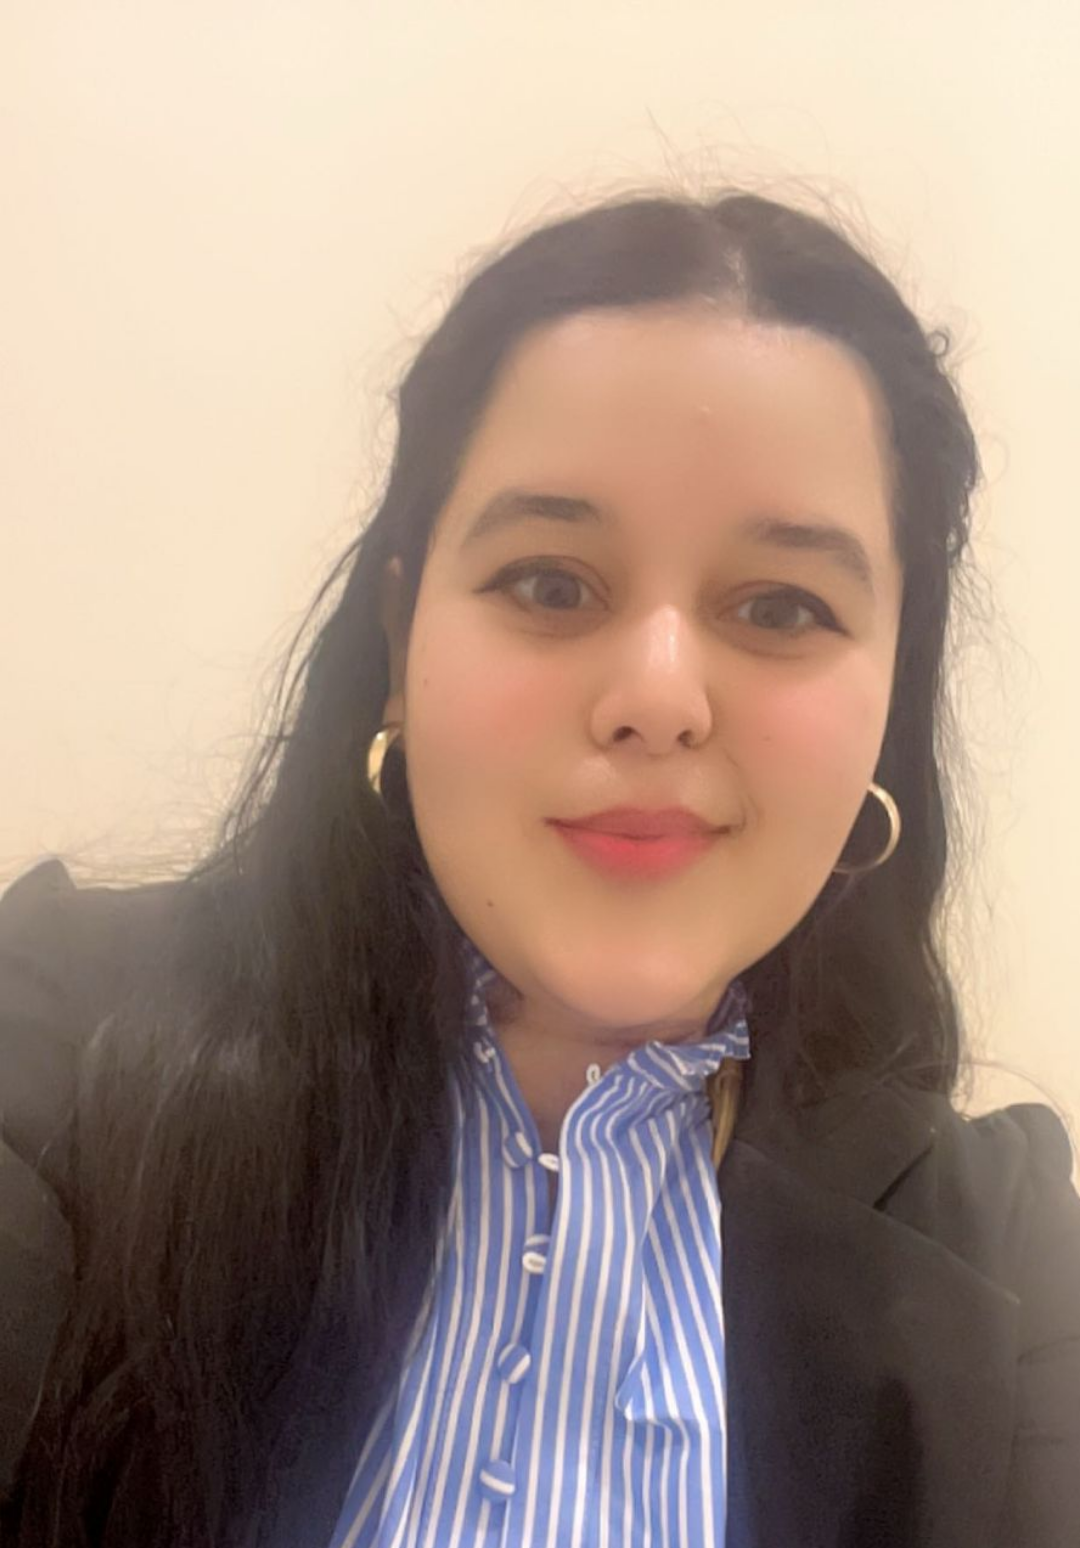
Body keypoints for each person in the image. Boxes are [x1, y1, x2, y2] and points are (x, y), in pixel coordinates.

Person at [0, 185, 1077, 1548]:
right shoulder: (53, 1045)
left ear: (889, 701)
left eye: (782, 606)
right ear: (402, 638)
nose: (658, 698)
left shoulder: (1011, 1254)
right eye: (551, 584)